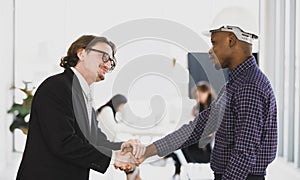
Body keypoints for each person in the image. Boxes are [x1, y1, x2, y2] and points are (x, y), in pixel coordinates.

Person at [121, 7, 278, 180]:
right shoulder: (235, 85)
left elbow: (244, 155)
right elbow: (197, 128)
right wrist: (146, 152)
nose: (210, 51)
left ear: (231, 40)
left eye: (214, 42)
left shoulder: (249, 87)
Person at [16, 35, 145, 180]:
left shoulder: (84, 95)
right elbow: (63, 142)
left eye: (111, 61)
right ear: (82, 53)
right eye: (104, 56)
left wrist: (123, 147)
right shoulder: (56, 87)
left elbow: (95, 140)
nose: (108, 64)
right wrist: (115, 158)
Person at [97, 94, 142, 180]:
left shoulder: (110, 112)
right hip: (104, 144)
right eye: (122, 106)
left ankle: (133, 175)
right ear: (117, 103)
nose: (122, 109)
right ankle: (132, 176)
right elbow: (115, 128)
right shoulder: (107, 110)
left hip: (108, 144)